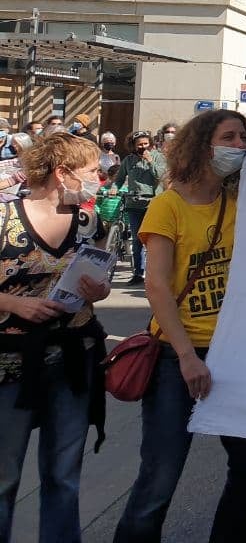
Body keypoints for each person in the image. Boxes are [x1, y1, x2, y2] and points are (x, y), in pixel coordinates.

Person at [113, 109, 246, 543]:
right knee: (158, 483)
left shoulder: (242, 202)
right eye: (230, 137)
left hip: (236, 357)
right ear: (203, 146)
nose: (239, 145)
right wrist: (186, 356)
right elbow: (158, 286)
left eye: (244, 137)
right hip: (175, 358)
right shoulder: (169, 206)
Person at [0, 133, 110, 543]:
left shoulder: (90, 221)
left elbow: (96, 273)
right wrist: (14, 303)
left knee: (64, 477)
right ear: (61, 173)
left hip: (73, 359)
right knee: (3, 479)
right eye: (91, 171)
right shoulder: (4, 218)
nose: (100, 178)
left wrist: (98, 291)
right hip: (9, 365)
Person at [117, 132, 167, 287]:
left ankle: (156, 273)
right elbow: (118, 180)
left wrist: (150, 161)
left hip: (153, 204)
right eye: (140, 144)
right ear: (133, 145)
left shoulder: (158, 157)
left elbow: (160, 174)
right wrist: (113, 188)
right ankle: (138, 272)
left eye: (145, 143)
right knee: (137, 240)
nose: (143, 147)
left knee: (153, 241)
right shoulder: (128, 160)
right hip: (134, 204)